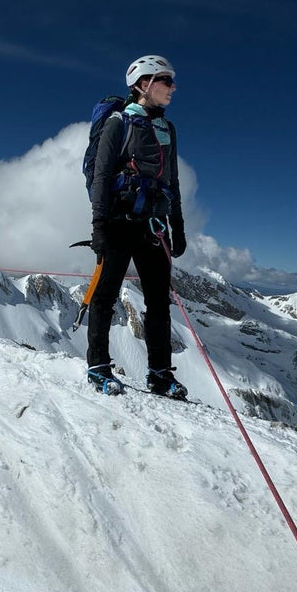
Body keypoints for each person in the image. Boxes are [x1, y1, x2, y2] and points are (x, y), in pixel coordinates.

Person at [86, 55, 187, 398]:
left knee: (159, 302)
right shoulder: (119, 123)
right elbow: (100, 176)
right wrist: (99, 224)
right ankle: (98, 367)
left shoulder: (167, 129)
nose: (173, 87)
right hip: (117, 221)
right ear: (144, 84)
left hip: (153, 225)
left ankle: (160, 373)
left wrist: (177, 224)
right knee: (105, 297)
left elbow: (171, 181)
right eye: (165, 80)